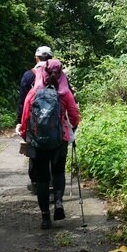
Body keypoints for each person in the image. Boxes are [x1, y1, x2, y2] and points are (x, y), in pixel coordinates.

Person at [20, 58, 80, 229]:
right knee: (59, 172)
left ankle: (45, 217)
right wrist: (72, 129)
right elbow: (75, 116)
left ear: (43, 72)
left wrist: (26, 137)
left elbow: (25, 118)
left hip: (38, 142)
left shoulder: (34, 92)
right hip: (59, 140)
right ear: (61, 73)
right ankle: (59, 201)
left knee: (42, 179)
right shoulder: (65, 92)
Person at [16, 46, 54, 192]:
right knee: (52, 148)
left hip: (33, 120)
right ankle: (50, 181)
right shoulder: (58, 74)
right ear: (51, 58)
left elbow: (22, 100)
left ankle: (36, 182)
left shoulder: (28, 75)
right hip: (53, 121)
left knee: (34, 149)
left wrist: (20, 121)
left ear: (36, 58)